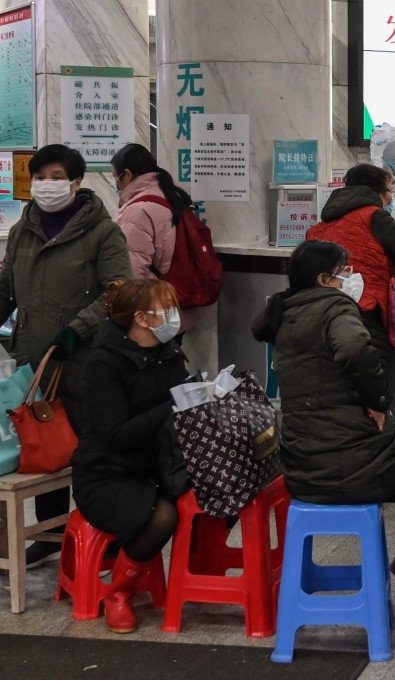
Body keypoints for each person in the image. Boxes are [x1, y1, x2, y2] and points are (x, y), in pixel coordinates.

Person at [252, 240, 395, 623]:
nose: (352, 278)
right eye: (345, 271)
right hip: (354, 471)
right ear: (323, 279)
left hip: (303, 474)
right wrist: (379, 399)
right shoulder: (334, 306)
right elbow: (354, 349)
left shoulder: (285, 315)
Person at [0, 144, 131, 569]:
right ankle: (53, 533)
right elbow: (7, 286)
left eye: (56, 177)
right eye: (39, 177)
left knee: (91, 450)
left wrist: (79, 328)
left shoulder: (102, 231)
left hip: (83, 357)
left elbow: (118, 291)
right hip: (31, 359)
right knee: (43, 446)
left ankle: (104, 535)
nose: (46, 185)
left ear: (76, 182)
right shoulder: (23, 228)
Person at [71, 279, 188, 634]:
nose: (175, 317)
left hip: (156, 464)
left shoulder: (168, 352)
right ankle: (119, 593)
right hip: (107, 472)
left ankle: (196, 581)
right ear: (141, 318)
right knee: (162, 515)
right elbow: (115, 435)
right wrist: (172, 405)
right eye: (166, 310)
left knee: (217, 494)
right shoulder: (103, 364)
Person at [306, 163, 395, 369]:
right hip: (364, 312)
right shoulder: (372, 216)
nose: (392, 198)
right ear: (379, 192)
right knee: (368, 383)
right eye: (390, 191)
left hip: (319, 314)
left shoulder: (318, 228)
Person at [110, 143, 198, 333]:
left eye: (116, 178)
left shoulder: (137, 211)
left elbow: (132, 270)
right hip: (175, 304)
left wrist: (123, 314)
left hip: (152, 313)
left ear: (127, 174)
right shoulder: (172, 196)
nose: (116, 185)